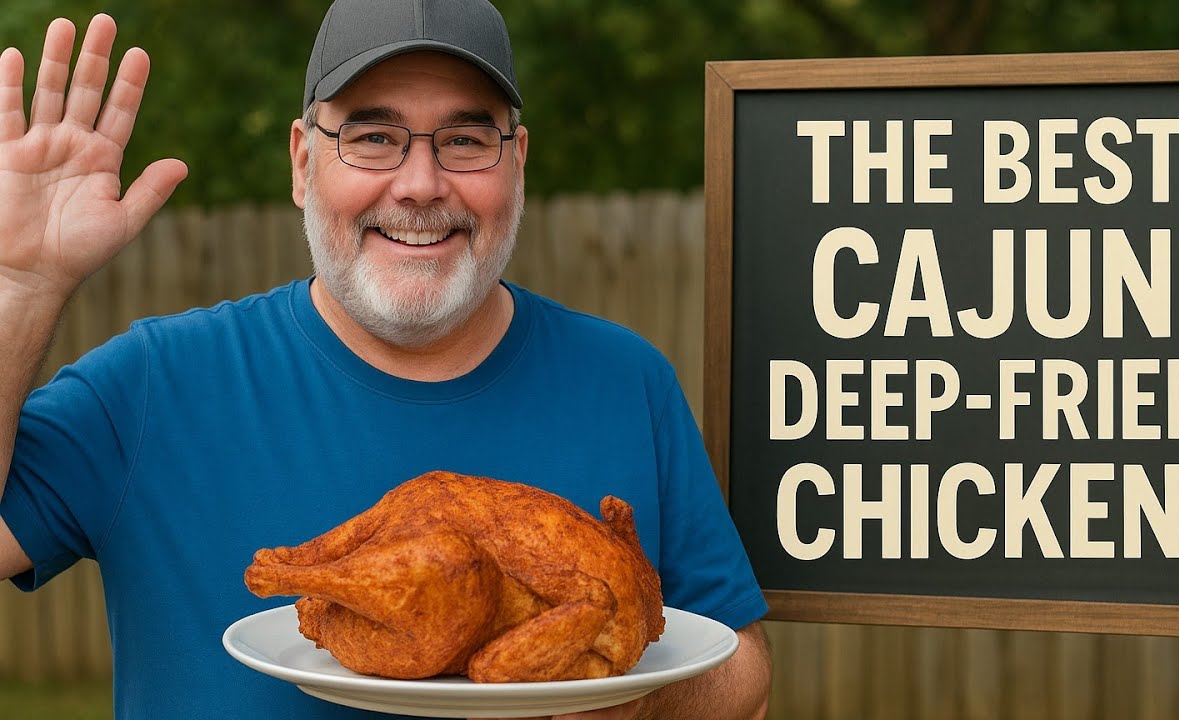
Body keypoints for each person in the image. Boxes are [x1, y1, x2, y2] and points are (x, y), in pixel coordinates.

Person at [0, 1, 771, 719]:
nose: (420, 184)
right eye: (373, 137)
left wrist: (611, 696)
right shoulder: (153, 384)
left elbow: (742, 675)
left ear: (518, 162)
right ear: (303, 164)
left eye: (466, 140)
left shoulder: (627, 380)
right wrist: (18, 288)